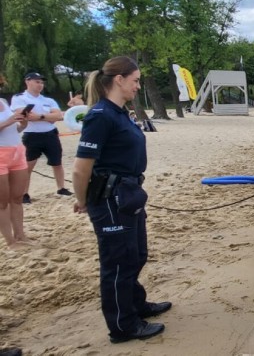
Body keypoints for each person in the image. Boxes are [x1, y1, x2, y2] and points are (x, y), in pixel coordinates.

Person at [72, 56, 170, 343]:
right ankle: (123, 326)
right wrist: (84, 200)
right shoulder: (100, 115)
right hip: (110, 198)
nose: (138, 86)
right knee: (117, 263)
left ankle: (136, 305)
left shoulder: (119, 113)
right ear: (119, 79)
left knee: (136, 254)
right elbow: (81, 167)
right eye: (136, 80)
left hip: (128, 195)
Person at [11, 72, 73, 203]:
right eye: (37, 81)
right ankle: (24, 193)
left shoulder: (47, 100)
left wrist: (40, 117)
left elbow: (58, 116)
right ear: (28, 82)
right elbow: (25, 115)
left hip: (50, 134)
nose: (40, 85)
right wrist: (47, 116)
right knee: (28, 165)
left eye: (41, 82)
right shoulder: (20, 98)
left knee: (57, 162)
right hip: (32, 135)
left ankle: (61, 187)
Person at [0, 98, 29, 249]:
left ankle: (20, 235)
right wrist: (9, 120)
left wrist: (22, 124)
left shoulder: (3, 101)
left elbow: (14, 130)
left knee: (17, 197)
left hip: (16, 150)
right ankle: (10, 241)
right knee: (2, 202)